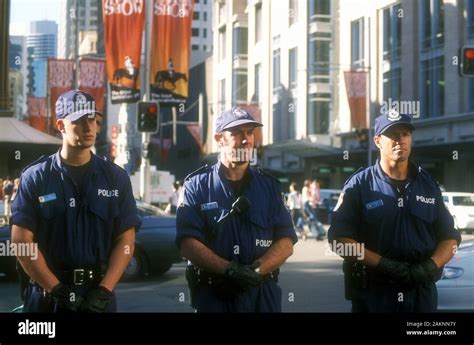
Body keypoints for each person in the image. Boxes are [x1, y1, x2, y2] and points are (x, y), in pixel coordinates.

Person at [10, 89, 141, 313]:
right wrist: (56, 289)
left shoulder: (115, 178)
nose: (88, 127)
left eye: (92, 119)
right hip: (48, 299)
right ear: (61, 126)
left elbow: (126, 240)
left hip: (98, 295)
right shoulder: (36, 177)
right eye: (78, 121)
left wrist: (104, 291)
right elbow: (21, 241)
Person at [328, 110, 462, 312]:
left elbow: (450, 237)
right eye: (393, 134)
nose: (401, 140)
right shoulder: (359, 185)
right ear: (378, 141)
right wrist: (382, 264)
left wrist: (430, 266)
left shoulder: (428, 184)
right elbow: (338, 240)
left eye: (406, 134)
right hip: (375, 293)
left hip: (421, 292)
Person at [176, 106, 297, 312]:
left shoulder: (269, 187)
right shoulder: (196, 186)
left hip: (262, 297)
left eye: (250, 132)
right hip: (215, 297)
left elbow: (286, 241)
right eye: (237, 133)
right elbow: (187, 243)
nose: (246, 139)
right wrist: (229, 270)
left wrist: (257, 270)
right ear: (219, 139)